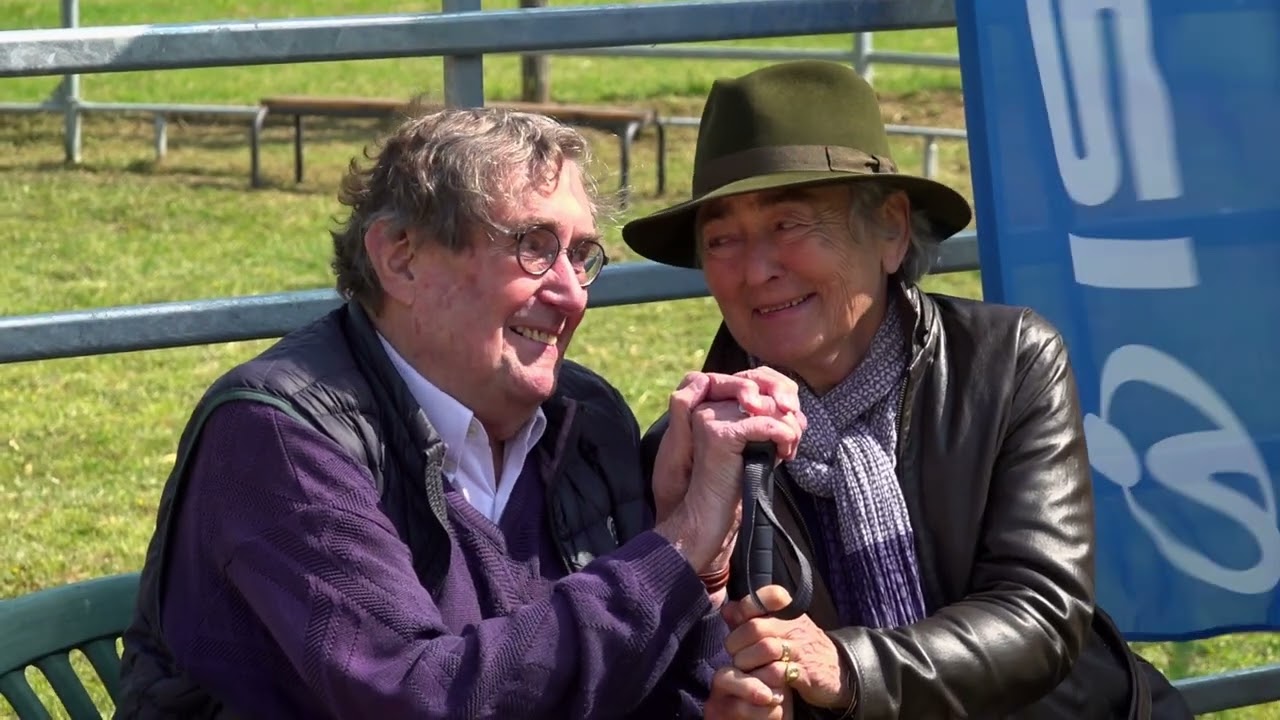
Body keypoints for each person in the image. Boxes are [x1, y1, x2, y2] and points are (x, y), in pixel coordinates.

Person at [114, 106, 807, 718]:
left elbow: (623, 681)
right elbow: (419, 698)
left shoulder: (586, 420)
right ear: (401, 258)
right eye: (533, 247)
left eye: (583, 255)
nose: (571, 294)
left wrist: (709, 663)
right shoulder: (280, 436)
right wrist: (676, 549)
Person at [623, 61, 1191, 719]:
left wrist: (848, 668)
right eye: (722, 239)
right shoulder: (696, 445)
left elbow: (1040, 611)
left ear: (891, 229)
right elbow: (702, 664)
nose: (755, 270)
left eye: (790, 225)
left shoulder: (1004, 364)